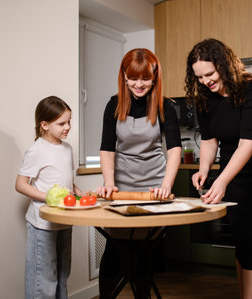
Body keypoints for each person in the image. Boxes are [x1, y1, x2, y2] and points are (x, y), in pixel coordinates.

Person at [185, 39, 252, 299]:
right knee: (242, 239)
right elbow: (210, 140)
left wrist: (220, 181)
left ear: (224, 65)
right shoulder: (205, 98)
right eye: (199, 77)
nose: (205, 81)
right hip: (235, 174)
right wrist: (204, 169)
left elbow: (247, 145)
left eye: (209, 74)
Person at [96, 48, 182, 297]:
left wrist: (166, 185)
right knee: (114, 249)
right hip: (121, 188)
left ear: (155, 77)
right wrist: (110, 183)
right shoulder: (114, 104)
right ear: (124, 75)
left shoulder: (166, 106)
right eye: (133, 78)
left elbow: (174, 150)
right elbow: (107, 149)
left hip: (153, 188)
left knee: (144, 251)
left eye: (145, 78)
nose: (139, 84)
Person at [15, 96, 87, 299]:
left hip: (65, 221)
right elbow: (20, 185)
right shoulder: (36, 150)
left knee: (62, 276)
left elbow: (66, 182)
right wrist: (48, 197)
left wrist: (81, 193)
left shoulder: (67, 149)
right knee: (43, 281)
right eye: (61, 123)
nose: (68, 127)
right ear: (44, 125)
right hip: (42, 224)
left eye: (69, 121)